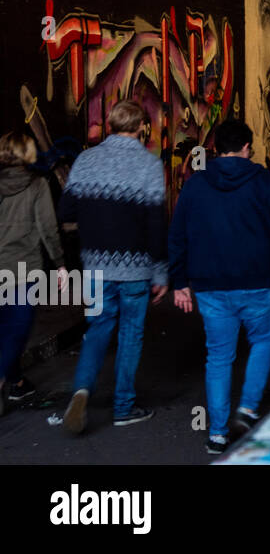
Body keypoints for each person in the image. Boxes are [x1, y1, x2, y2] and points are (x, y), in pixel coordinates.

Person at [168, 119, 270, 455]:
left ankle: (218, 434)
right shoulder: (261, 180)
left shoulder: (195, 185)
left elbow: (177, 235)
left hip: (210, 285)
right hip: (257, 280)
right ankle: (248, 409)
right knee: (264, 339)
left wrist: (179, 283)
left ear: (215, 149)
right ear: (246, 148)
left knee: (219, 355)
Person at [58, 100, 167, 435]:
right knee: (130, 335)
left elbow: (66, 212)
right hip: (135, 269)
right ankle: (123, 408)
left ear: (110, 126)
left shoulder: (86, 160)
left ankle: (81, 392)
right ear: (141, 128)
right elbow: (156, 224)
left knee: (97, 331)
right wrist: (160, 272)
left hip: (95, 267)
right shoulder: (149, 165)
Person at [0, 131, 67, 411]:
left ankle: (15, 383)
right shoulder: (37, 184)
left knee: (5, 330)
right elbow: (47, 229)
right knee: (17, 331)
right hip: (23, 272)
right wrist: (61, 264)